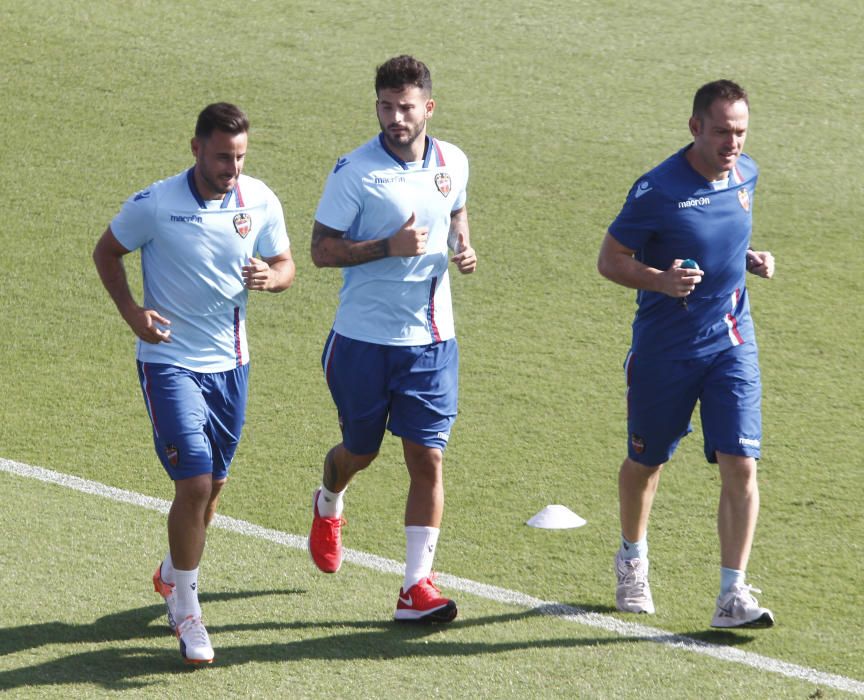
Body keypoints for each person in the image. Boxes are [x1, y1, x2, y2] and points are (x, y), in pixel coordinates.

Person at [93, 103, 295, 662]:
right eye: (222, 157)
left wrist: (271, 278)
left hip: (232, 364)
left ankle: (171, 572)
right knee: (196, 484)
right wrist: (133, 313)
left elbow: (285, 263)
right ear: (196, 149)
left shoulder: (260, 200)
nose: (232, 168)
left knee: (215, 485)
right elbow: (107, 251)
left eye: (240, 157)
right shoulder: (156, 204)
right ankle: (186, 611)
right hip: (169, 362)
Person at [597, 80, 776, 629]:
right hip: (666, 351)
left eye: (741, 131)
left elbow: (717, 232)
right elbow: (610, 259)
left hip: (730, 342)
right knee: (646, 463)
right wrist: (660, 279)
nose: (733, 142)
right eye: (722, 130)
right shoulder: (657, 189)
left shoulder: (746, 174)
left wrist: (746, 257)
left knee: (741, 463)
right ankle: (632, 558)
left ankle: (732, 594)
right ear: (695, 127)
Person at [307, 55, 477, 623]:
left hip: (431, 340)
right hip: (362, 341)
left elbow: (455, 208)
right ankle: (329, 501)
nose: (395, 117)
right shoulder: (355, 172)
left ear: (428, 106)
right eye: (386, 106)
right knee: (360, 452)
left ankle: (415, 587)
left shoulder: (452, 160)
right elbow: (321, 250)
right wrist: (387, 247)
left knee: (427, 457)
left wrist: (461, 243)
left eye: (406, 107)